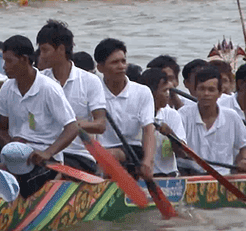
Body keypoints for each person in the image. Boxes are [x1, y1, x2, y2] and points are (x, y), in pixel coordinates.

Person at [0, 35, 79, 197]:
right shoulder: (6, 88)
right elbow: (1, 130)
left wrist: (47, 152)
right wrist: (12, 146)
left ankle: (57, 178)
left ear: (25, 60)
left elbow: (72, 127)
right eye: (4, 61)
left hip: (45, 158)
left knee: (25, 185)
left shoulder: (48, 88)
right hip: (17, 155)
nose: (4, 67)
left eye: (9, 61)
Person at [36, 20, 107, 174]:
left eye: (45, 50)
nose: (41, 56)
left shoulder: (90, 81)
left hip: (79, 156)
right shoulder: (39, 81)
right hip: (44, 152)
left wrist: (73, 126)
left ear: (61, 49)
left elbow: (100, 124)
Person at [94, 38, 156, 179]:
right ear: (100, 68)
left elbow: (148, 129)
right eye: (115, 62)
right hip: (99, 151)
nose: (121, 66)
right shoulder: (93, 90)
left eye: (123, 61)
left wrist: (148, 161)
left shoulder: (142, 92)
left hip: (131, 151)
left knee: (111, 155)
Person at [178, 66, 246, 175]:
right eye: (202, 89)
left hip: (222, 176)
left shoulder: (232, 116)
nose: (206, 94)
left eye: (211, 90)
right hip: (190, 175)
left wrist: (244, 160)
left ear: (220, 93)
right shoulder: (183, 115)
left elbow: (245, 145)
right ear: (195, 91)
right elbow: (178, 148)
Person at [139, 68, 186, 177]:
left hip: (169, 175)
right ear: (151, 92)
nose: (168, 95)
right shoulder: (135, 114)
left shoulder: (171, 115)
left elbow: (183, 153)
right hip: (144, 175)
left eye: (169, 90)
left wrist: (170, 134)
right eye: (164, 91)